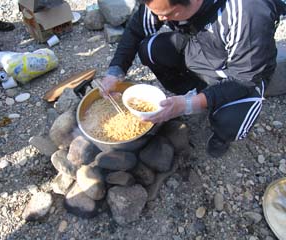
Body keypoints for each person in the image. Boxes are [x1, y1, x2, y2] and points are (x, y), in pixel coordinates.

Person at [100, 0, 286, 158]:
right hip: (201, 48)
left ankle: (221, 136)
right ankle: (196, 93)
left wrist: (189, 104)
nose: (160, 19)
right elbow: (136, 30)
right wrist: (115, 71)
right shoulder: (162, 4)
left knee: (230, 122)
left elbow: (244, 78)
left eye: (167, 14)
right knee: (149, 49)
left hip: (238, 72)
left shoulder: (248, 12)